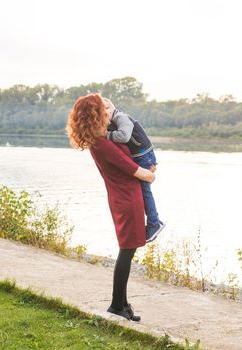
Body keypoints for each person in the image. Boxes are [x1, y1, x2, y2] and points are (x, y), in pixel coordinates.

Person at [66, 93, 155, 321]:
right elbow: (133, 169)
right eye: (102, 110)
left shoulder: (101, 140)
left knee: (128, 249)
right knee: (127, 251)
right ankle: (117, 305)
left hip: (124, 196)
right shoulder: (102, 144)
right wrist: (150, 173)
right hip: (127, 199)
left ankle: (122, 304)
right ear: (95, 116)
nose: (108, 113)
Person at [102, 98, 165, 243]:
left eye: (107, 108)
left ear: (113, 107)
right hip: (140, 156)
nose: (105, 112)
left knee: (144, 189)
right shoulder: (112, 121)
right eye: (101, 110)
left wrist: (105, 135)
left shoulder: (121, 118)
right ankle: (153, 222)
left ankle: (154, 224)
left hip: (144, 155)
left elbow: (124, 136)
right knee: (141, 189)